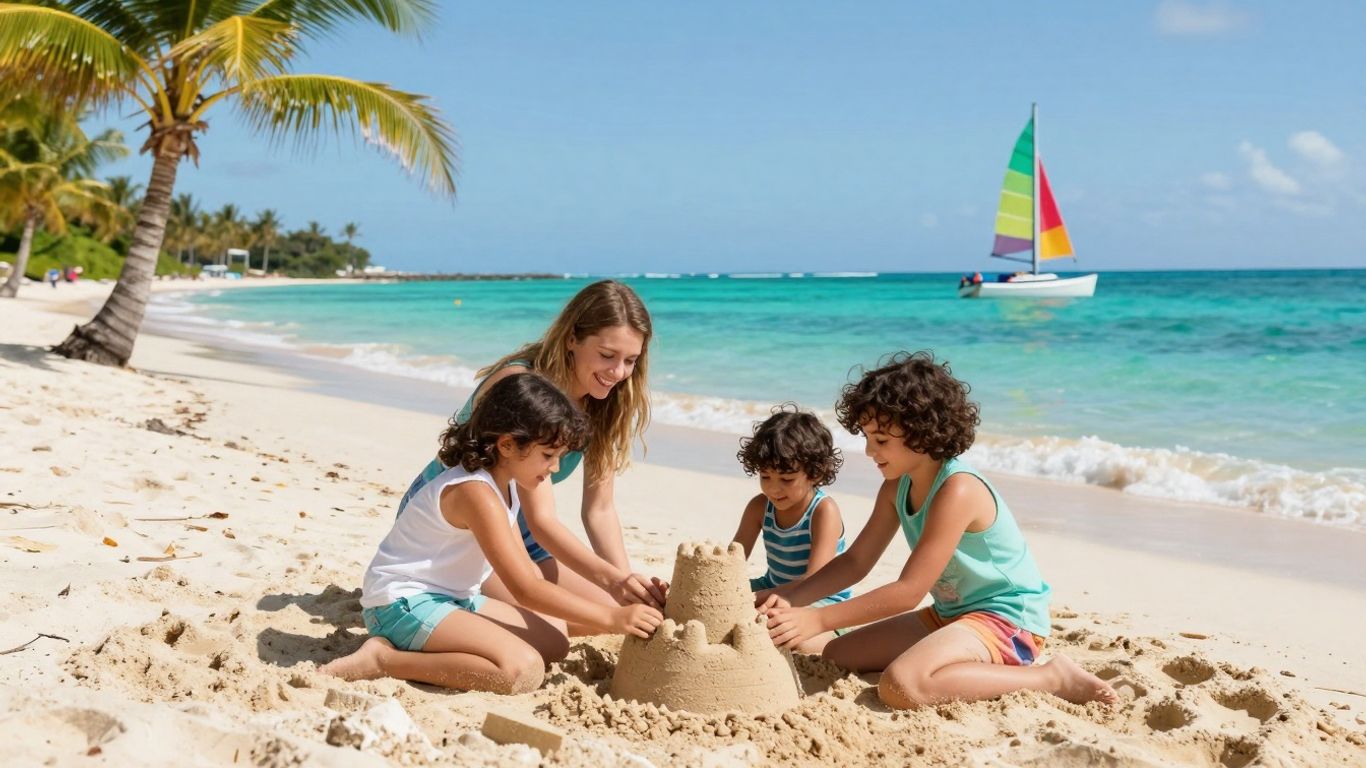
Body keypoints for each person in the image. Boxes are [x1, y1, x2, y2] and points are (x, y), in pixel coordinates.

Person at [759, 352, 1118, 709]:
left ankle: (1051, 677)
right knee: (839, 653)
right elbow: (855, 562)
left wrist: (818, 617)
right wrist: (791, 598)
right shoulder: (895, 487)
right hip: (950, 614)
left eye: (881, 440)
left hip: (1007, 619)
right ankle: (952, 659)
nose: (869, 450)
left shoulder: (957, 489)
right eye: (867, 437)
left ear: (922, 433)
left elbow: (908, 591)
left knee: (903, 685)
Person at [320, 373, 663, 691]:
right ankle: (385, 660)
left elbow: (529, 573)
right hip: (402, 603)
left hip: (454, 597)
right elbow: (525, 588)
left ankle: (428, 645)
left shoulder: (506, 484)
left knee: (554, 642)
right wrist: (612, 616)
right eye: (547, 455)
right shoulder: (476, 493)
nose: (555, 468)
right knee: (521, 670)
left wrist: (611, 596)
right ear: (507, 445)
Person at [398, 280, 666, 635]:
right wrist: (612, 580)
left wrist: (626, 586)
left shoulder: (608, 401)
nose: (618, 373)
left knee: (610, 614)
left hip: (520, 526)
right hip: (459, 524)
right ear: (572, 338)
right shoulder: (523, 386)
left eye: (630, 360)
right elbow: (542, 519)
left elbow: (599, 510)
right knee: (551, 626)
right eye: (607, 355)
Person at [729, 404, 849, 654]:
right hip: (773, 585)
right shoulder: (759, 508)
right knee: (717, 601)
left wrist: (754, 600)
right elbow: (732, 563)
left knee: (791, 639)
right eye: (765, 476)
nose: (774, 489)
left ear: (814, 473)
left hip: (819, 601)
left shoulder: (823, 511)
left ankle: (836, 638)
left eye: (786, 479)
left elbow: (815, 580)